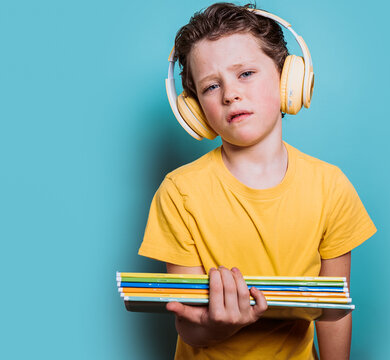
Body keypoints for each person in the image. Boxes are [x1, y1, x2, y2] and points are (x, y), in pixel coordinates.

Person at [138, 3, 377, 359]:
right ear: (196, 111)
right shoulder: (179, 193)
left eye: (246, 73)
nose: (230, 94)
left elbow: (333, 310)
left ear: (288, 79)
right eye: (211, 86)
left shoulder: (330, 186)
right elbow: (187, 324)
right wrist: (218, 325)